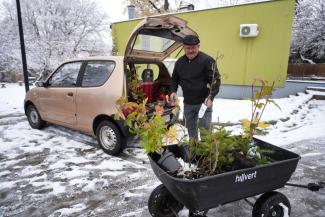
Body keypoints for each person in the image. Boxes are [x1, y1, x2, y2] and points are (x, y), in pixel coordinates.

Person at [168, 35, 221, 140]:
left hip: (204, 103)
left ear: (198, 46)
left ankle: (206, 154)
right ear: (183, 47)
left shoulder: (207, 60)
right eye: (188, 48)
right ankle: (194, 153)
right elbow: (174, 78)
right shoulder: (179, 62)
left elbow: (216, 80)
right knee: (190, 132)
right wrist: (173, 91)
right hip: (188, 103)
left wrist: (211, 96)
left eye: (194, 47)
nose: (191, 50)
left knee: (205, 131)